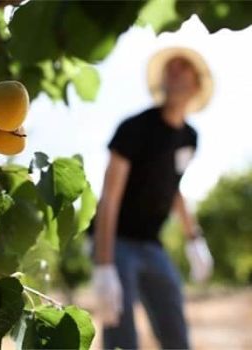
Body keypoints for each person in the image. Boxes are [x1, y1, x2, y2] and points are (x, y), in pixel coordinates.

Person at [93, 47, 214, 350]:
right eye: (169, 67)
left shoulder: (189, 138)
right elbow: (109, 197)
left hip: (151, 243)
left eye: (182, 66)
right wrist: (104, 266)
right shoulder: (134, 128)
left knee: (175, 329)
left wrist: (193, 238)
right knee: (122, 336)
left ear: (196, 83)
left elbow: (173, 188)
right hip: (116, 241)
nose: (173, 70)